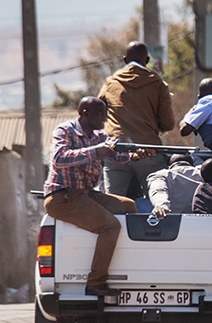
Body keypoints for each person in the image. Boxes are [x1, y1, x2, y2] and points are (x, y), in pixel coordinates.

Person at [41, 97, 154, 296]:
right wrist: (95, 152)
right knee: (111, 225)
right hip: (63, 196)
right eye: (100, 113)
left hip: (87, 194)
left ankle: (128, 270)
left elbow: (116, 155)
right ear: (85, 113)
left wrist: (137, 155)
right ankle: (96, 282)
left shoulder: (99, 136)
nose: (104, 118)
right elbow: (59, 158)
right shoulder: (65, 131)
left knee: (128, 206)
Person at [99, 41, 175, 198]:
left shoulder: (110, 83)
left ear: (125, 60)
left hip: (116, 151)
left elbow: (98, 115)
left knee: (114, 204)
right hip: (148, 151)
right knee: (158, 201)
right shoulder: (158, 84)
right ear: (146, 60)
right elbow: (168, 123)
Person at [148, 154, 203, 218]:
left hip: (173, 221)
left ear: (169, 165)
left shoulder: (160, 175)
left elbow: (159, 190)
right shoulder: (203, 173)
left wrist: (161, 206)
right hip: (203, 220)